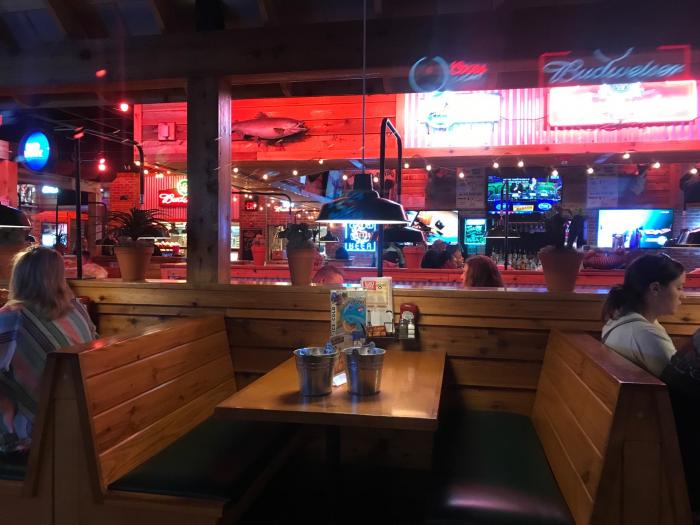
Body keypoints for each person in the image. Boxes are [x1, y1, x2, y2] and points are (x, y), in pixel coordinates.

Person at [0, 247, 97, 455]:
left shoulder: (11, 317)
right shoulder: (77, 309)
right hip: (83, 409)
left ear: (19, 276)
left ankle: (9, 442)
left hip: (40, 422)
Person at [601, 254, 685, 378]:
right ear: (655, 288)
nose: (683, 295)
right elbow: (683, 384)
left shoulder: (618, 319)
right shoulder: (646, 335)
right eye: (679, 287)